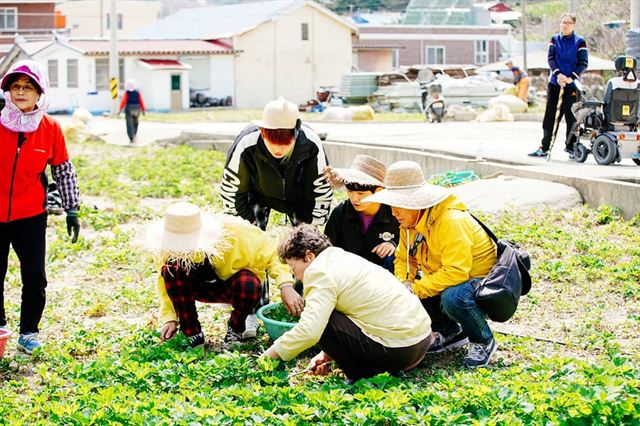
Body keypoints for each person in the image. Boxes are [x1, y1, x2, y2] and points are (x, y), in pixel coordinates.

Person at [363, 161, 498, 368]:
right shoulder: (409, 223)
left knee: (453, 297)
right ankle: (450, 332)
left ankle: (483, 340)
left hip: (479, 283)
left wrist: (415, 289)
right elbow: (404, 259)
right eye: (392, 206)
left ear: (414, 202)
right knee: (409, 288)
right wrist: (404, 283)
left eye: (398, 206)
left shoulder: (451, 221)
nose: (393, 213)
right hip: (446, 276)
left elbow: (456, 273)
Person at [262, 224, 432, 384]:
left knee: (320, 320)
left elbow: (310, 331)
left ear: (309, 256)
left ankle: (362, 376)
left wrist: (268, 357)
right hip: (420, 342)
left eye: (294, 268)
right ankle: (383, 367)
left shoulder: (318, 272)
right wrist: (327, 354)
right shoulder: (339, 257)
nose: (296, 277)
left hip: (400, 350)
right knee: (323, 315)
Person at [0, 60, 81, 354]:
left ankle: (29, 332)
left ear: (39, 93)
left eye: (28, 87)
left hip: (30, 215)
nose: (21, 92)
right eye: (16, 86)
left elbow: (63, 169)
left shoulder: (49, 128)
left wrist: (71, 209)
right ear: (8, 92)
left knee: (34, 277)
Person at [146, 202, 300, 348]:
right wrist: (170, 318)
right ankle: (192, 332)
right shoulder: (165, 248)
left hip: (231, 285)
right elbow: (165, 283)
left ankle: (236, 328)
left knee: (248, 284)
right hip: (195, 286)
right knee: (171, 269)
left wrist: (285, 285)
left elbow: (273, 252)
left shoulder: (237, 232)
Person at [220, 97, 332, 231]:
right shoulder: (246, 143)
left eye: (285, 142)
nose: (278, 149)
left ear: (296, 132)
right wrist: (245, 222)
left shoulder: (310, 143)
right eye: (272, 141)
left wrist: (311, 225)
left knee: (306, 240)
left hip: (299, 196)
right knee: (247, 235)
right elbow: (232, 190)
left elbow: (320, 189)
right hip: (258, 193)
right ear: (262, 131)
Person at [323, 154, 399, 272]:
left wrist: (393, 245)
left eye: (361, 194)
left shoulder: (395, 213)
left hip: (385, 277)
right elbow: (327, 250)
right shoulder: (340, 213)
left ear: (378, 191)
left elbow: (410, 246)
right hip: (348, 275)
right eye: (350, 191)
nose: (354, 198)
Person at [529, 13, 588, 158]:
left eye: (568, 23)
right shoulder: (555, 39)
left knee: (571, 118)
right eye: (562, 22)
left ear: (573, 25)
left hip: (571, 86)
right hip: (555, 83)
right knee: (550, 116)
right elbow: (551, 59)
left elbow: (583, 63)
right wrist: (559, 75)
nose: (564, 25)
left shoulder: (580, 42)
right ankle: (545, 147)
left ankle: (571, 147)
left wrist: (570, 77)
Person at [118, 79, 146, 143]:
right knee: (135, 122)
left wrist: (120, 109)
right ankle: (134, 133)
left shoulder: (127, 93)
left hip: (129, 108)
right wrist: (143, 110)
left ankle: (131, 137)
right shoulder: (137, 92)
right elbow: (141, 101)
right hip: (137, 109)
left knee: (129, 123)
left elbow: (123, 101)